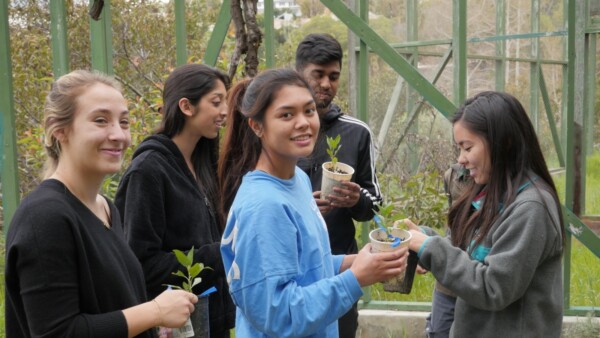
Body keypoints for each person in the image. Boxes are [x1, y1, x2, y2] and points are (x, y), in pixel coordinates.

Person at [218, 68, 409, 338]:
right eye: (287, 114)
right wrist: (355, 280)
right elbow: (279, 314)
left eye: (309, 111)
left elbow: (305, 266)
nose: (304, 122)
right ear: (257, 126)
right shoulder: (264, 207)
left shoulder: (297, 179)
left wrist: (360, 261)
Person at [5, 70, 197, 337]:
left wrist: (149, 325)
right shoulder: (44, 217)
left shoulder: (106, 209)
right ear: (59, 130)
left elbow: (110, 308)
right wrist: (153, 311)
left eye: (124, 122)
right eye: (100, 120)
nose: (118, 135)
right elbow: (58, 333)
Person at [403, 91, 565, 337]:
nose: (461, 159)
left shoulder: (531, 209)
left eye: (467, 147)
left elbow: (493, 287)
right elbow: (472, 255)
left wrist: (431, 248)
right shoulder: (491, 194)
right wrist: (424, 239)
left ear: (504, 142)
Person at [114, 64, 235, 337]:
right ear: (186, 106)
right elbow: (140, 265)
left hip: (209, 320)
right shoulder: (148, 171)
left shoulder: (203, 163)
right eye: (216, 102)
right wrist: (221, 252)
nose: (225, 111)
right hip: (171, 327)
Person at [295, 33, 382, 338]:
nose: (326, 84)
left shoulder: (356, 133)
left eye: (333, 76)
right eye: (317, 75)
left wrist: (357, 199)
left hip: (342, 266)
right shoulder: (278, 132)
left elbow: (375, 204)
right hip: (293, 268)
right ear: (299, 74)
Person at [424, 163, 470, 338]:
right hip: (448, 283)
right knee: (440, 330)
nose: (461, 157)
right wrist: (428, 250)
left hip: (478, 281)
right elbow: (453, 232)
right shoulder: (452, 176)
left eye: (468, 147)